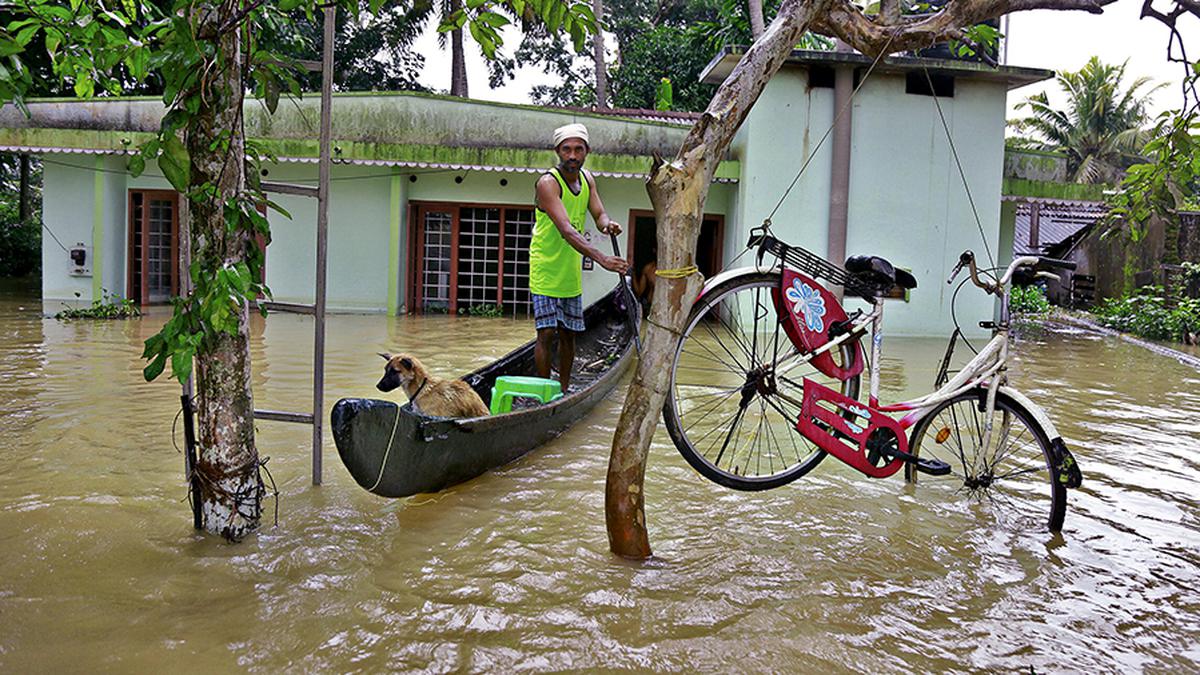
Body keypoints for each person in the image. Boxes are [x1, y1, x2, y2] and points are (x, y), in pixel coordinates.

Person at [530, 123, 629, 392]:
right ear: (557, 151)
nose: (572, 155)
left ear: (587, 151)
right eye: (567, 149)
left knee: (569, 334)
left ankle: (562, 390)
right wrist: (603, 259)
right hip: (545, 268)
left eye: (578, 149)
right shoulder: (548, 184)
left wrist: (608, 224)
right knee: (547, 333)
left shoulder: (587, 180)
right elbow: (566, 230)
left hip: (570, 270)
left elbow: (599, 214)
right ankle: (543, 392)